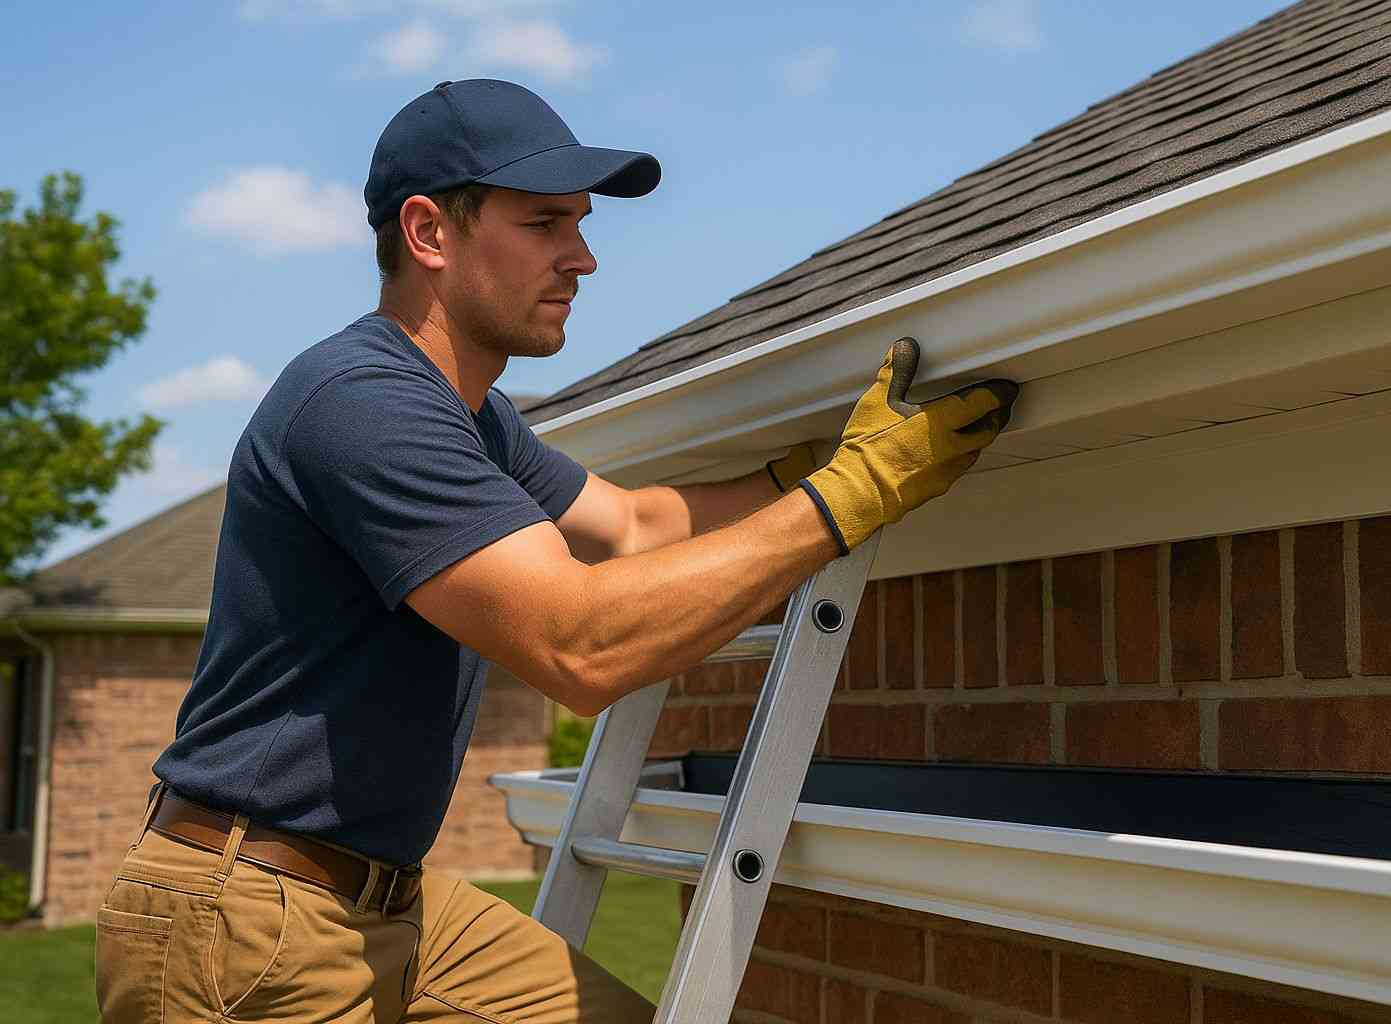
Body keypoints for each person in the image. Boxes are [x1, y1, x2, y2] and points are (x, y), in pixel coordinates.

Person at [93, 79, 1019, 1023]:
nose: (582, 258)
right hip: (247, 916)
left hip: (393, 901)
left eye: (580, 224)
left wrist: (811, 467)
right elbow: (580, 646)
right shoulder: (363, 402)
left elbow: (631, 526)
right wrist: (854, 495)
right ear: (429, 234)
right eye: (545, 223)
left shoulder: (475, 420)